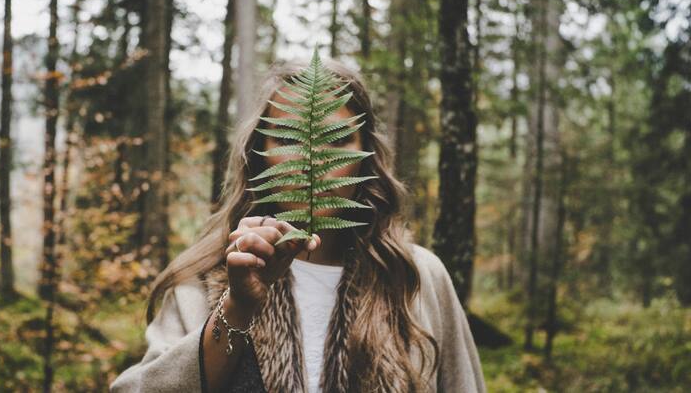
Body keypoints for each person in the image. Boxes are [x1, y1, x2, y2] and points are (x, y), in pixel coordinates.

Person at [110, 57, 486, 393]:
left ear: (365, 159)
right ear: (260, 156)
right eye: (290, 138)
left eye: (337, 139)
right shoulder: (208, 275)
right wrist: (237, 308)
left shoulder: (415, 277)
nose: (313, 158)